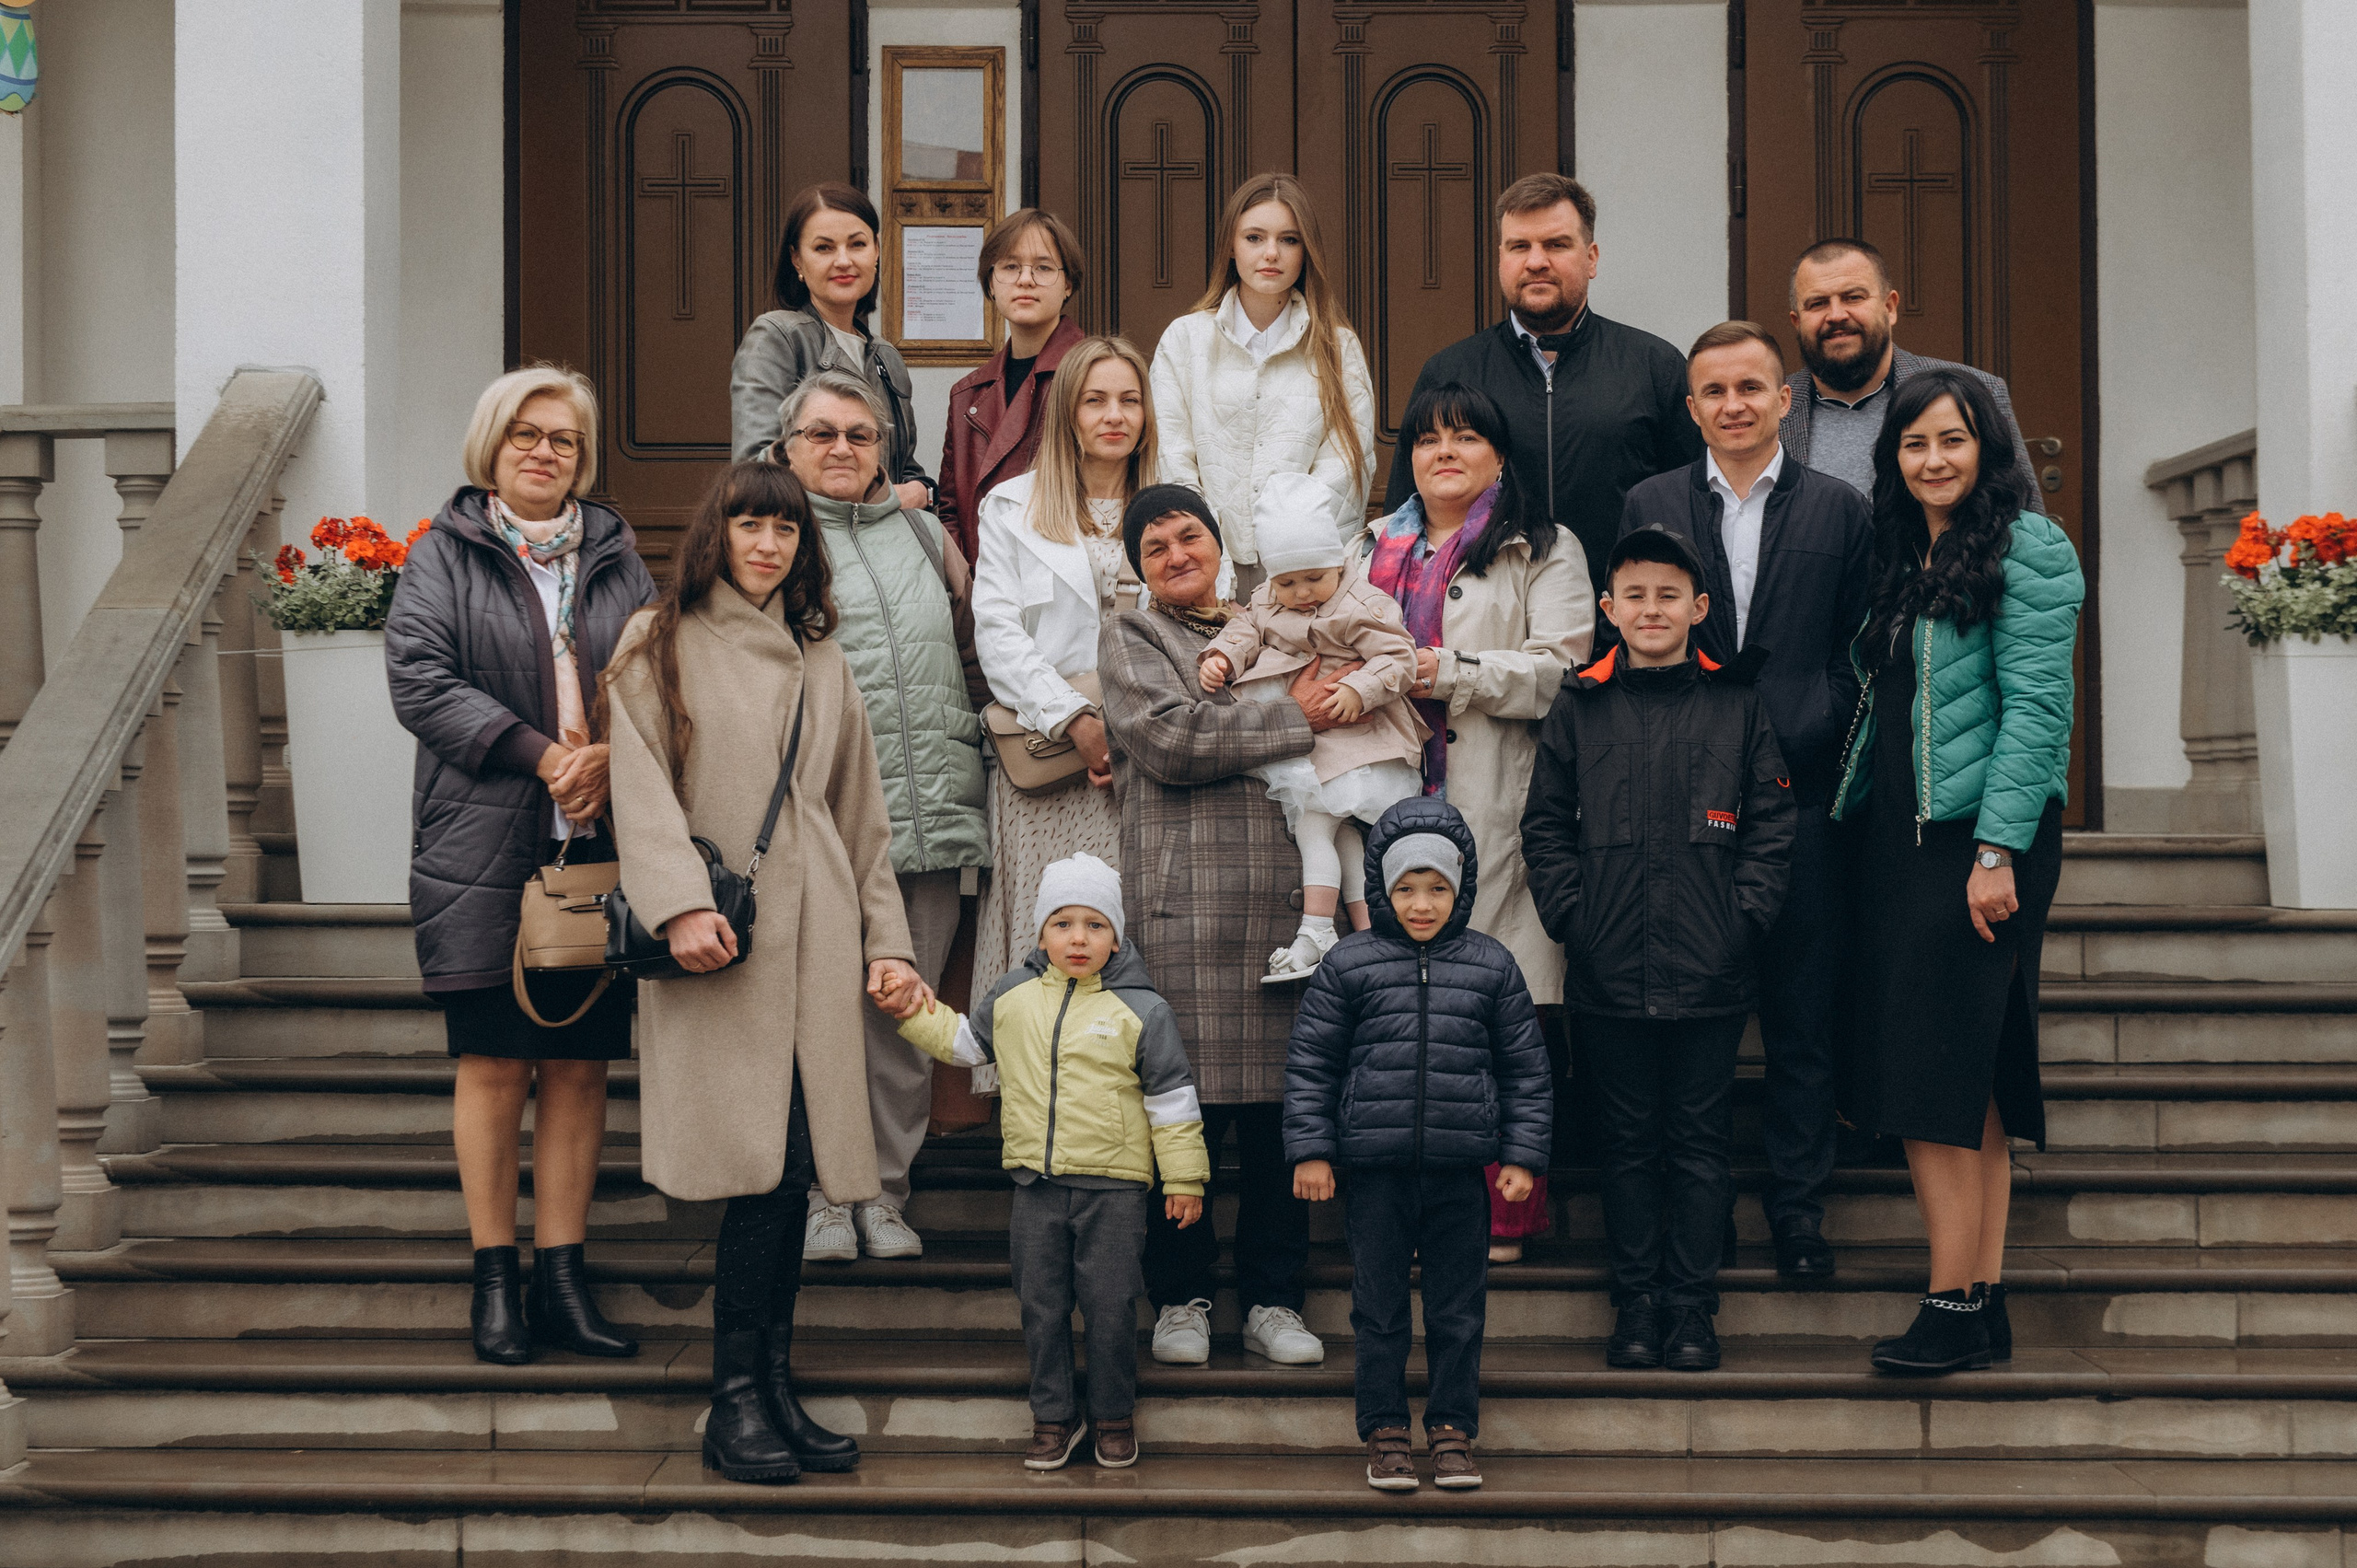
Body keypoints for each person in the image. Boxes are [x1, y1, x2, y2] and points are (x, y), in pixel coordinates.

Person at [603, 459, 930, 1483]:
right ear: (718, 532)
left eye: (784, 529)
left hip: (817, 935)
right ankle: (732, 1399)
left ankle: (771, 1387)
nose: (767, 544)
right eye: (749, 523)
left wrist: (888, 941)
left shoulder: (821, 655)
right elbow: (637, 783)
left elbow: (861, 814)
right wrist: (678, 903)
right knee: (757, 1172)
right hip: (721, 942)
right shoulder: (657, 638)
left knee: (790, 1174)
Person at [385, 365, 656, 1367]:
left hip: (595, 848)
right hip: (481, 842)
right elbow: (421, 679)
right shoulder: (442, 554)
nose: (545, 452)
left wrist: (613, 755)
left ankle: (564, 1279)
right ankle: (495, 1280)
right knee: (496, 1063)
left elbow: (656, 679)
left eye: (565, 440)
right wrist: (544, 755)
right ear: (492, 447)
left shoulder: (619, 559)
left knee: (580, 1067)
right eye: (526, 435)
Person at [1831, 369, 2082, 1376]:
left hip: (1976, 843)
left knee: (1937, 1071)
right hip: (1903, 837)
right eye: (1914, 443)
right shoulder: (1906, 550)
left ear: (1989, 447)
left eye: (1952, 440)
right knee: (1961, 1076)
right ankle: (1979, 1295)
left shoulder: (2031, 546)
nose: (1933, 460)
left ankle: (1950, 1300)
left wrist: (1994, 850)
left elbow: (2038, 711)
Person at [1615, 321, 1874, 1280]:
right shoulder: (1651, 501)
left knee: (1802, 1017)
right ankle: (1705, 1211)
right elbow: (1632, 635)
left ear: (1783, 400)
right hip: (1684, 801)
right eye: (1715, 391)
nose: (1733, 405)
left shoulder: (1840, 508)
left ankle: (1799, 1214)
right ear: (1692, 407)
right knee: (1699, 1023)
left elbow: (1859, 646)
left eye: (1751, 387)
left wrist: (1819, 720)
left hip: (1802, 797)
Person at [1522, 526, 1796, 1375]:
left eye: (1669, 595)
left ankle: (1693, 1306)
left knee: (1700, 1144)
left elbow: (1771, 825)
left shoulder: (1736, 704)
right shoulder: (1581, 704)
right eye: (1635, 595)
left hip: (1713, 972)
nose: (1651, 609)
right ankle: (1637, 1302)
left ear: (1698, 607)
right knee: (1628, 1144)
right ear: (1608, 609)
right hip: (1607, 969)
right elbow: (1544, 826)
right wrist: (1574, 917)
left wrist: (1743, 918)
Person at [1097, 484, 1331, 1369]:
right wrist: (1296, 715)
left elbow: (1341, 706)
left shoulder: (1270, 621)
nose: (1176, 555)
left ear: (1218, 545)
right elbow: (1171, 739)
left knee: (1279, 1123)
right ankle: (1180, 1297)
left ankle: (1275, 1298)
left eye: (1188, 536)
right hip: (1181, 912)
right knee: (1178, 1119)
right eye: (1154, 547)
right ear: (1139, 566)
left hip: (1285, 909)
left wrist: (1260, 715)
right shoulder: (1132, 634)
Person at [1360, 382, 1593, 1262]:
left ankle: (1505, 1216)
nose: (1444, 452)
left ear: (1499, 455)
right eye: (1427, 439)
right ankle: (1413, 1216)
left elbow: (1560, 672)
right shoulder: (1367, 547)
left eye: (1465, 437)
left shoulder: (1544, 545)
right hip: (1385, 800)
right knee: (1399, 1021)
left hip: (1497, 803)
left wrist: (1448, 671)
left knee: (1496, 1014)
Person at [769, 368, 991, 1265]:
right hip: (827, 827)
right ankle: (828, 1194)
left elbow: (973, 654)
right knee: (824, 1020)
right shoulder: (777, 541)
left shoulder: (925, 535)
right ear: (787, 449)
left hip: (932, 817)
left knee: (906, 1021)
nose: (841, 449)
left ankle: (885, 1194)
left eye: (859, 435)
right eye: (821, 433)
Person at [897, 854, 1211, 1472]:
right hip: (1035, 1186)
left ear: (1116, 937)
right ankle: (1054, 1416)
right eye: (1063, 924)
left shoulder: (1143, 1009)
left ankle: (1113, 1415)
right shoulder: (1013, 995)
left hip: (1114, 1190)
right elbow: (965, 1044)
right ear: (1041, 934)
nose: (1078, 938)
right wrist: (911, 1012)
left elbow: (1172, 1100)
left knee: (1111, 1306)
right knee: (1041, 1306)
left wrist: (1184, 1177)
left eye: (1095, 925)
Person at [1284, 798, 1552, 1493]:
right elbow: (1313, 1064)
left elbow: (1525, 1070)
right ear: (1382, 888)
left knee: (1458, 1309)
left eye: (1437, 888)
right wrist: (1312, 1150)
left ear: (1461, 888)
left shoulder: (1492, 966)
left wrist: (1521, 1156)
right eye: (1406, 888)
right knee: (1378, 1309)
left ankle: (1453, 1429)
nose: (1422, 904)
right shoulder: (1350, 964)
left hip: (1461, 1172)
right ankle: (1385, 1431)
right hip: (1376, 1174)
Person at [1386, 173, 1700, 596]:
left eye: (1556, 245)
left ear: (1591, 257)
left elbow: (1692, 503)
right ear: (1501, 258)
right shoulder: (1450, 373)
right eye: (1520, 246)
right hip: (1485, 621)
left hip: (1625, 617)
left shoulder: (1654, 366)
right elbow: (1405, 516)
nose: (1536, 262)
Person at [970, 334, 1157, 991]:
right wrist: (1075, 719)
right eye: (1095, 400)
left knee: (1129, 937)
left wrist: (1131, 734)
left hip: (1146, 760)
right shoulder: (1012, 507)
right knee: (1043, 936)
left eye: (1130, 400)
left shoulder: (1176, 502)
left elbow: (1204, 620)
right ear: (1067, 413)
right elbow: (998, 633)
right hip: (1048, 759)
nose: (1115, 416)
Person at [1201, 472, 1426, 982]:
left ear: (1338, 564)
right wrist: (1223, 656)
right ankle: (1371, 935)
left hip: (1357, 738)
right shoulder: (1267, 598)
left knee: (1313, 826)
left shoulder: (1361, 603)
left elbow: (1399, 657)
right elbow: (1245, 627)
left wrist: (1360, 688)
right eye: (1287, 583)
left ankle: (1317, 930)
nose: (1301, 593)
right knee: (1340, 835)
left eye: (1314, 578)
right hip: (1308, 739)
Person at [1152, 171, 1376, 598]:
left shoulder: (1338, 347)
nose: (1271, 253)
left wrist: (1291, 561)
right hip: (1201, 567)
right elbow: (1173, 457)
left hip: (1303, 575)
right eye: (1254, 237)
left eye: (1289, 240)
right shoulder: (1185, 340)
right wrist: (1207, 560)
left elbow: (1347, 465)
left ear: (1306, 250)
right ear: (1231, 246)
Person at [1781, 238, 2041, 512]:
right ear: (1797, 322)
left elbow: (2026, 517)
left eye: (1853, 297)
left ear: (1890, 307)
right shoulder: (1770, 411)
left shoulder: (1979, 390)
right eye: (1818, 303)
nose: (1836, 315)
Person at [731, 181, 933, 513]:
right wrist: (878, 499)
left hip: (884, 539)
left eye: (857, 244)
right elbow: (754, 470)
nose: (843, 260)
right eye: (824, 248)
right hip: (812, 537)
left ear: (876, 250)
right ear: (797, 259)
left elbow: (903, 468)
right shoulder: (778, 337)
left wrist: (923, 490)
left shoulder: (888, 358)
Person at [936, 208, 1089, 561]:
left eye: (1043, 268)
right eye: (1010, 267)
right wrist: (970, 583)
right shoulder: (966, 395)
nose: (1025, 280)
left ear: (1068, 283)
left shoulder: (1092, 375)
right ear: (991, 283)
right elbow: (950, 510)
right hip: (982, 582)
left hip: (1066, 574)